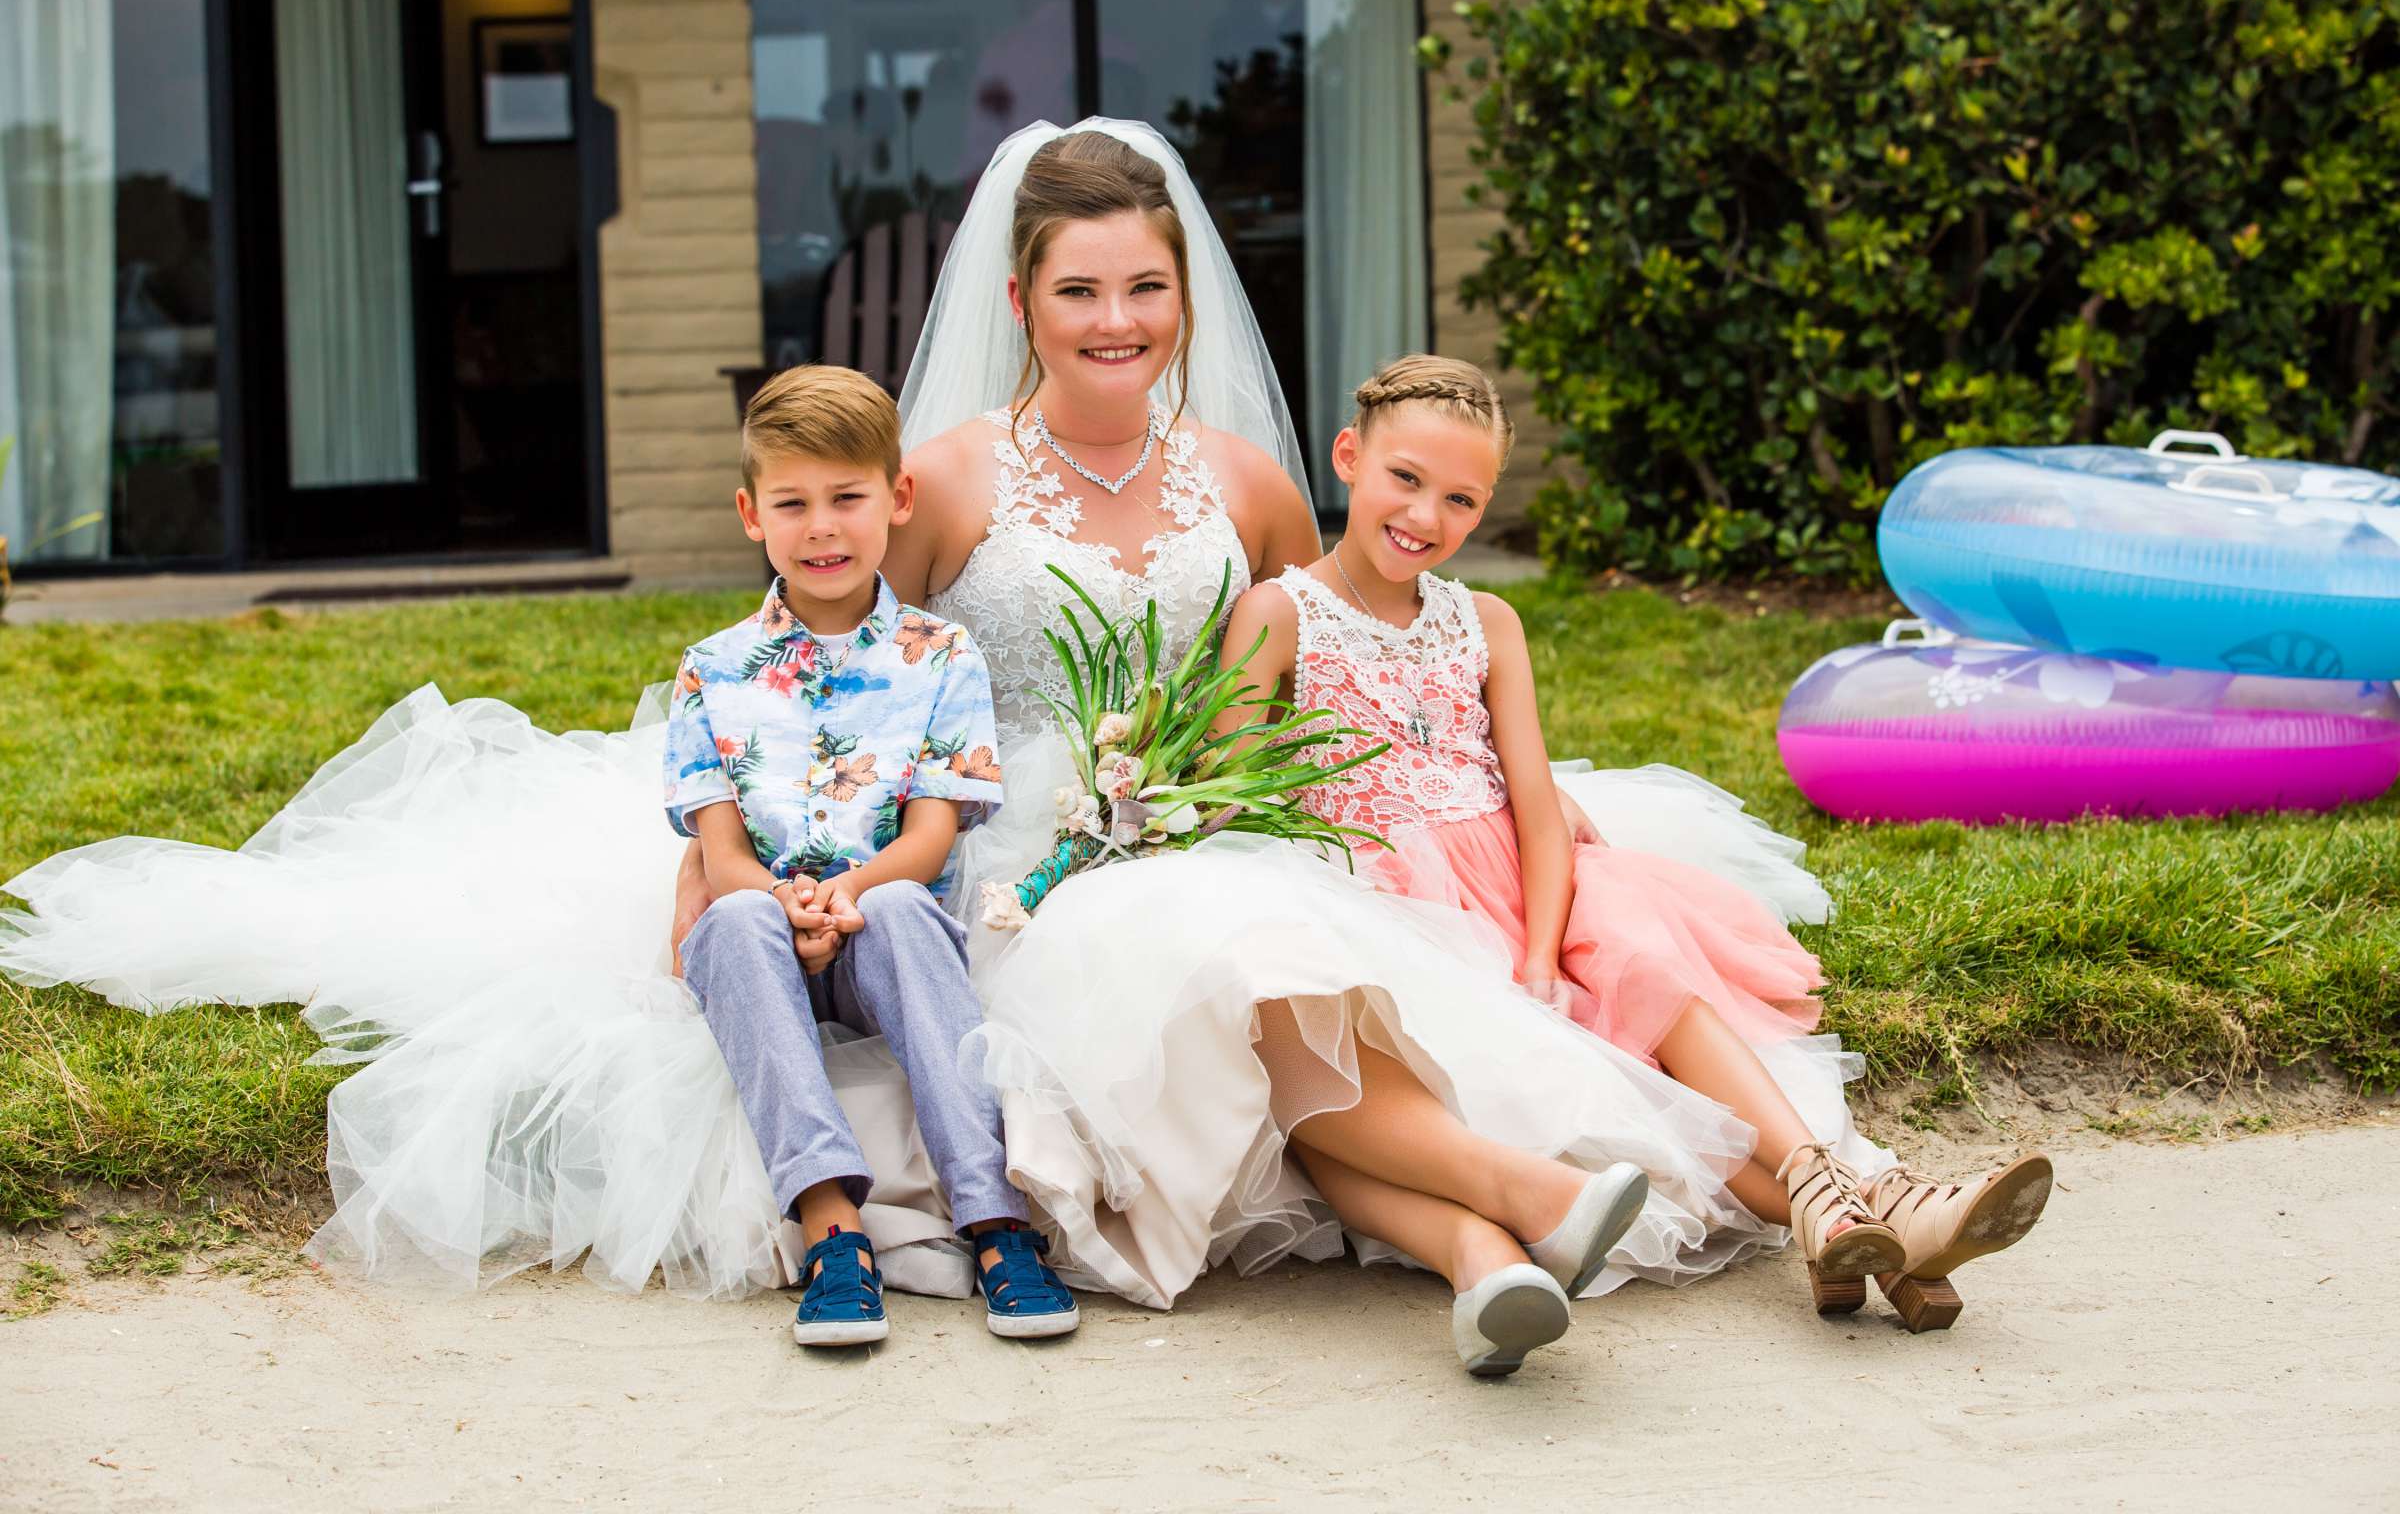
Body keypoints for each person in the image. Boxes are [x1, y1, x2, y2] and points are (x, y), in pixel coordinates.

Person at [758, 120, 1871, 1376]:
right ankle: (1538, 1197)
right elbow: (841, 680)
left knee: (1297, 967)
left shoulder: (1247, 486)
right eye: (1078, 289)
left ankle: (1525, 1240)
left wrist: (1502, 784)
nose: (1115, 318)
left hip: (1216, 824)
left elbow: (1343, 654)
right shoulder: (944, 480)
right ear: (1020, 300)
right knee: (1225, 955)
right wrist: (824, 861)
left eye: (1146, 287)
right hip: (1022, 855)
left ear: (1187, 294)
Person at [1224, 354, 2055, 1330]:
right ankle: (1875, 1229)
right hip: (1401, 898)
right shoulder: (1281, 612)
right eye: (1404, 480)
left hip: (1521, 877)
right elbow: (1243, 794)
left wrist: (1539, 950)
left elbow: (1535, 800)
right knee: (1640, 1091)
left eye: (1459, 498)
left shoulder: (1486, 619)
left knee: (1631, 946)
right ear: (1349, 457)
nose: (1423, 516)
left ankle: (1827, 1186)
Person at [666, 364, 1077, 1345]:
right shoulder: (712, 670)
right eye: (792, 503)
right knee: (728, 918)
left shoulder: (941, 655)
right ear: (750, 513)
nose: (822, 527)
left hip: (886, 918)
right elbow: (719, 848)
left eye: (848, 498)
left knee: (899, 910)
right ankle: (831, 1229)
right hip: (765, 929)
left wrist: (846, 893)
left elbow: (932, 833)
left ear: (896, 500)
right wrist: (783, 902)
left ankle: (992, 1221)